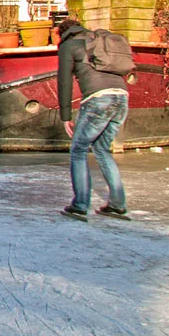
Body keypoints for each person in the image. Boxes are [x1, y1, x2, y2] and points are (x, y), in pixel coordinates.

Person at [56, 18, 130, 221]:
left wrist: (65, 117)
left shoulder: (69, 46)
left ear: (62, 33)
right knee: (102, 150)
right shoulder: (99, 41)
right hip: (121, 97)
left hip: (98, 100)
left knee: (78, 150)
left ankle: (79, 205)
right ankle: (117, 205)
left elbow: (64, 81)